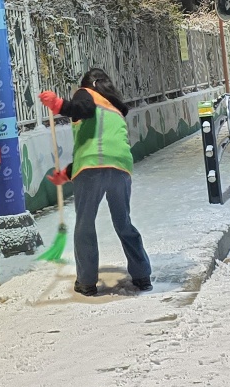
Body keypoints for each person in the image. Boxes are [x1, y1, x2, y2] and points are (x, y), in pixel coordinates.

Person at [40, 68, 153, 298]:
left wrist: (60, 105)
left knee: (85, 224)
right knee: (124, 223)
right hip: (121, 168)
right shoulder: (115, 109)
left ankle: (86, 281)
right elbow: (100, 141)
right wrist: (69, 172)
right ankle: (142, 275)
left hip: (91, 169)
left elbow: (84, 109)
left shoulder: (85, 94)